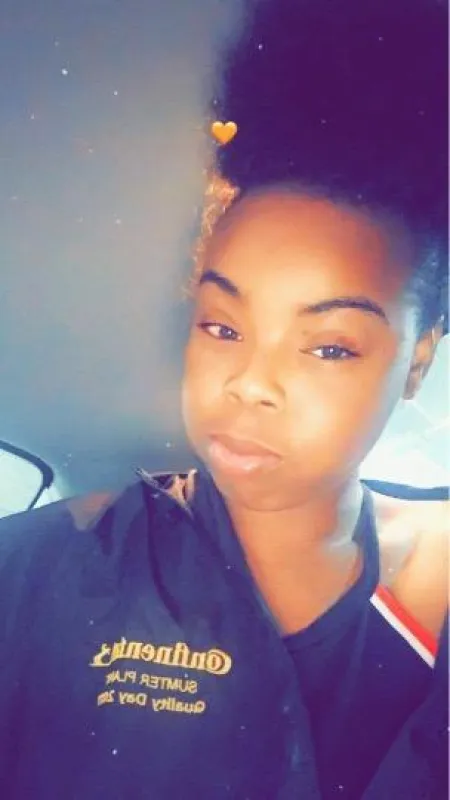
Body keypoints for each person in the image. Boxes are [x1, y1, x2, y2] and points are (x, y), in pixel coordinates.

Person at [0, 0, 448, 797]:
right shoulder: (49, 566)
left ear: (417, 364)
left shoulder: (436, 580)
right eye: (222, 326)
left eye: (328, 346)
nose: (249, 382)